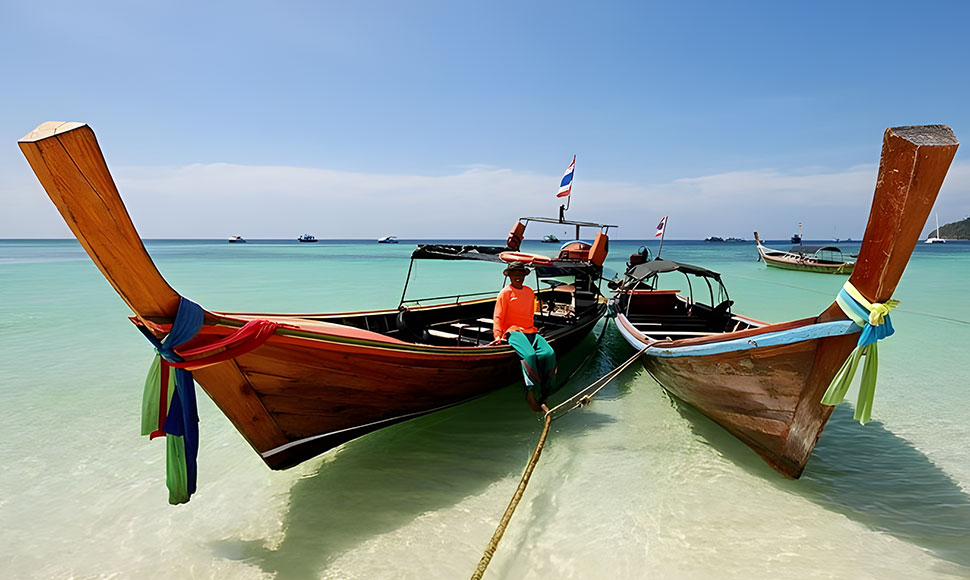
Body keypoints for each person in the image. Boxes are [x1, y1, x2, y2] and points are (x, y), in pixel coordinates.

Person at [491, 261, 556, 412]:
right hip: (513, 331)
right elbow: (498, 316)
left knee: (549, 354)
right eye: (515, 273)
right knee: (530, 356)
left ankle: (546, 393)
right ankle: (530, 392)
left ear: (524, 275)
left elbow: (529, 315)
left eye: (520, 273)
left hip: (530, 331)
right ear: (510, 276)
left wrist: (533, 331)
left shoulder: (529, 292)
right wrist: (498, 336)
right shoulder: (505, 293)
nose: (518, 276)